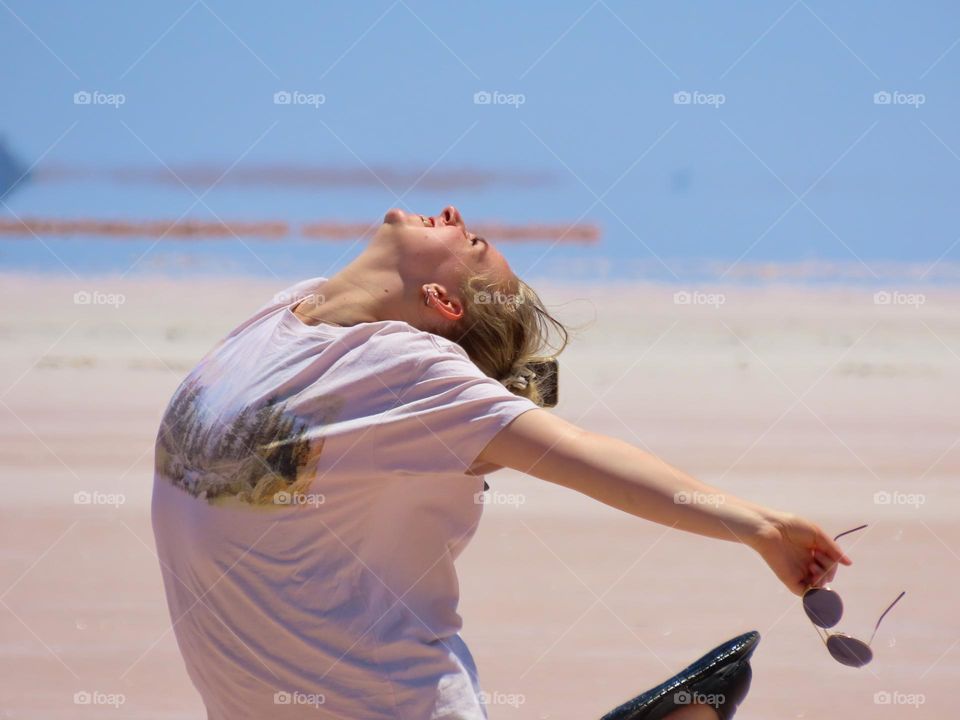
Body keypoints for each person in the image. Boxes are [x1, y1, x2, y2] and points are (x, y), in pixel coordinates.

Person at [151, 205, 851, 719]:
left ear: (443, 301)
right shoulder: (281, 313)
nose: (455, 215)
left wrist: (760, 525)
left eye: (473, 243)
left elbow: (588, 456)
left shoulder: (408, 370)